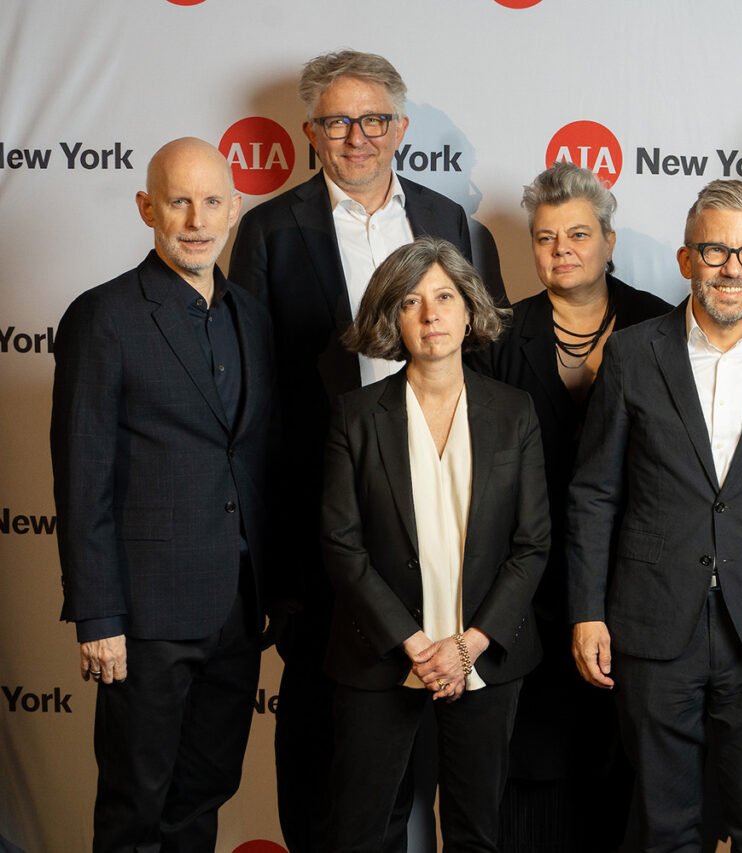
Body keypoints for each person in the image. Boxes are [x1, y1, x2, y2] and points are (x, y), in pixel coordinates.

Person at [227, 49, 505, 849]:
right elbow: (258, 405)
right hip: (328, 529)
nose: (358, 137)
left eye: (374, 119)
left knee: (448, 749)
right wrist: (275, 563)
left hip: (443, 525)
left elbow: (477, 369)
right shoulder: (270, 231)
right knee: (325, 746)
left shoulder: (452, 225)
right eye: (339, 121)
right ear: (311, 132)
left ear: (401, 129)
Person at [567, 179, 742, 852]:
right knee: (663, 823)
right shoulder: (630, 354)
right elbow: (596, 490)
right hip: (652, 619)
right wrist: (587, 609)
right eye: (713, 250)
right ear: (686, 260)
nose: (730, 268)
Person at [50, 137, 277, 850]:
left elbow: (252, 456)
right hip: (144, 618)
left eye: (212, 200)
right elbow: (82, 475)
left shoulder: (253, 316)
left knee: (202, 794)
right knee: (134, 806)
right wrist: (98, 614)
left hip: (239, 608)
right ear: (147, 206)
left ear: (235, 209)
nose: (196, 218)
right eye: (179, 200)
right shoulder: (104, 316)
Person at [320, 236, 549, 851]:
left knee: (477, 832)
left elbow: (532, 543)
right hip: (383, 652)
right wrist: (418, 646)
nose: (431, 314)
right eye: (411, 301)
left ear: (469, 309)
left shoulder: (514, 411)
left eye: (444, 296)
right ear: (390, 318)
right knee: (363, 831)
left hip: (485, 654)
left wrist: (469, 646)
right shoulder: (356, 416)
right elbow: (342, 546)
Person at [478, 162, 670, 852]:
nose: (561, 248)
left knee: (624, 771)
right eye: (545, 236)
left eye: (578, 234)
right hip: (526, 589)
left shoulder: (660, 325)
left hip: (637, 586)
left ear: (609, 241)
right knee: (531, 777)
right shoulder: (497, 337)